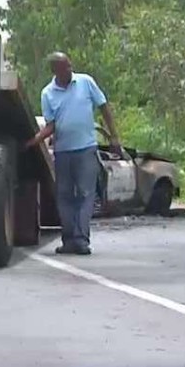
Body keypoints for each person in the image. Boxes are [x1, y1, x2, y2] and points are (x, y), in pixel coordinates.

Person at [25, 52, 121, 256]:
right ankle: (68, 240)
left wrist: (114, 137)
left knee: (86, 195)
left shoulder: (85, 82)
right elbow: (51, 125)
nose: (70, 70)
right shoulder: (47, 93)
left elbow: (104, 108)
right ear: (55, 71)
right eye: (65, 67)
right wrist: (34, 140)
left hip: (86, 149)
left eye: (70, 66)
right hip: (63, 152)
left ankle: (81, 240)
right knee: (64, 196)